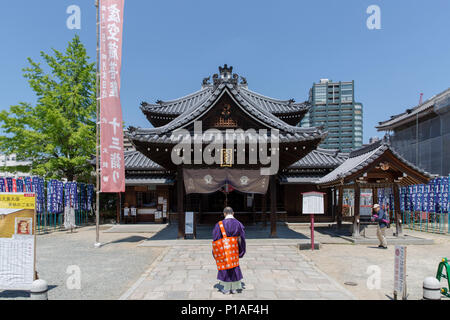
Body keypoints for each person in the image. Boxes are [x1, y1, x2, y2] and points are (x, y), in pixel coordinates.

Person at [212, 207, 246, 294]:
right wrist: (241, 250)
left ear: (224, 214)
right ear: (233, 213)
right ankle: (234, 288)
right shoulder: (238, 224)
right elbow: (242, 238)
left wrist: (214, 252)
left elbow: (215, 239)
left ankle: (226, 288)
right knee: (234, 266)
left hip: (223, 248)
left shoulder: (219, 224)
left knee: (225, 266)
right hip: (234, 248)